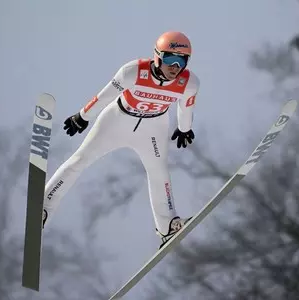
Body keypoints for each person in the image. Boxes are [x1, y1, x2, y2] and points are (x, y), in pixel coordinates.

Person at [42, 31, 200, 249]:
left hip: (153, 128)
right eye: (171, 59)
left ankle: (167, 226)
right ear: (157, 56)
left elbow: (186, 107)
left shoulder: (188, 82)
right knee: (80, 159)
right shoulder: (133, 71)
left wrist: (185, 129)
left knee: (159, 171)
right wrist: (83, 116)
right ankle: (44, 207)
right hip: (118, 120)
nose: (175, 67)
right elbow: (104, 95)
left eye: (182, 61)